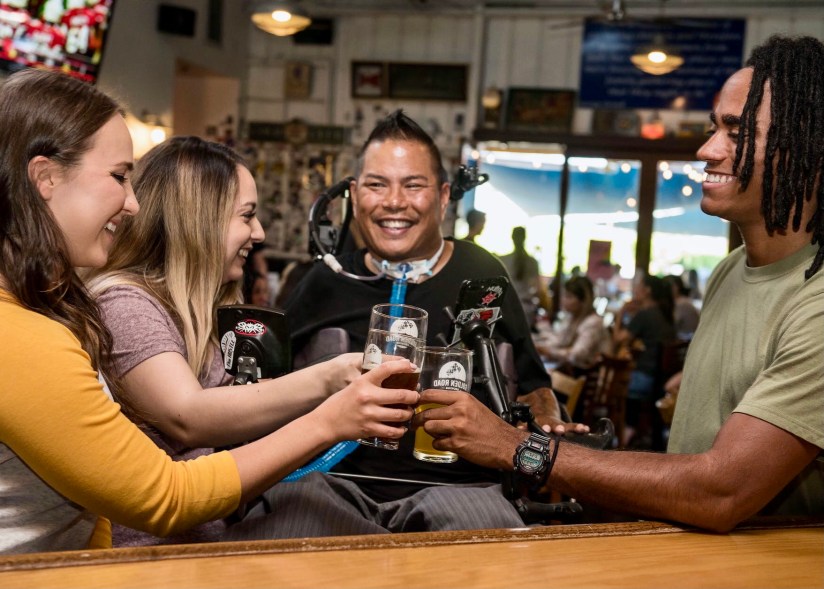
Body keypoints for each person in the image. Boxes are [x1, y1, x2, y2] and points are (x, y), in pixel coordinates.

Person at [0, 69, 419, 555]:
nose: (132, 203)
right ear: (45, 177)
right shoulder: (26, 337)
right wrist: (330, 416)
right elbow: (167, 493)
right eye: (118, 177)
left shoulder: (41, 315)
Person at [414, 35, 824, 532]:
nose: (706, 149)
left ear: (808, 149)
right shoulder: (731, 269)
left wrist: (516, 447)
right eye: (713, 128)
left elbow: (721, 491)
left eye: (736, 134)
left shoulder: (816, 301)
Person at [250, 109, 584, 539]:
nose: (394, 202)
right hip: (332, 484)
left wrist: (546, 418)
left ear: (443, 197)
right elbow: (265, 390)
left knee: (488, 538)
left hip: (457, 488)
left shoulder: (482, 274)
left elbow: (535, 385)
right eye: (376, 184)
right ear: (354, 194)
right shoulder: (325, 278)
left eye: (413, 185)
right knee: (278, 530)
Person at [87, 136, 380, 544]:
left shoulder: (202, 310)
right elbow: (188, 416)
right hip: (150, 554)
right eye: (247, 216)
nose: (258, 233)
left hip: (209, 536)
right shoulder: (124, 303)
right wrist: (329, 381)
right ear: (199, 220)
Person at [534, 275, 610, 374]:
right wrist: (540, 345)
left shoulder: (593, 322)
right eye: (564, 295)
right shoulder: (572, 317)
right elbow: (560, 341)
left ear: (584, 301)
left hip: (585, 377)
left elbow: (576, 355)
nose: (563, 300)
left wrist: (548, 351)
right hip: (573, 372)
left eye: (569, 296)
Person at [499, 226, 544, 329]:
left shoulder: (504, 260)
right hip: (526, 308)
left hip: (507, 308)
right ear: (525, 238)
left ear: (512, 238)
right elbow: (539, 289)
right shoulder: (532, 262)